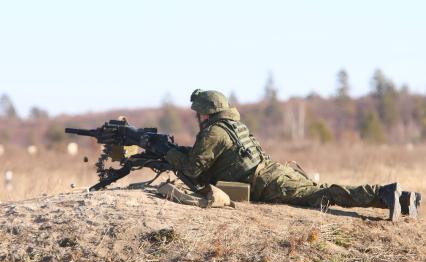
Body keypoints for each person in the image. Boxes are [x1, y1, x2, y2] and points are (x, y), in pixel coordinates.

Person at [165, 89, 422, 221]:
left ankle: (383, 194)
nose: (197, 118)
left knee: (320, 194)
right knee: (319, 189)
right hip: (273, 172)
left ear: (206, 113)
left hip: (266, 182)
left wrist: (167, 153)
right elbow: (207, 159)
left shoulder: (214, 132)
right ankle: (404, 199)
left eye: (198, 113)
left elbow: (191, 170)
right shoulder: (232, 127)